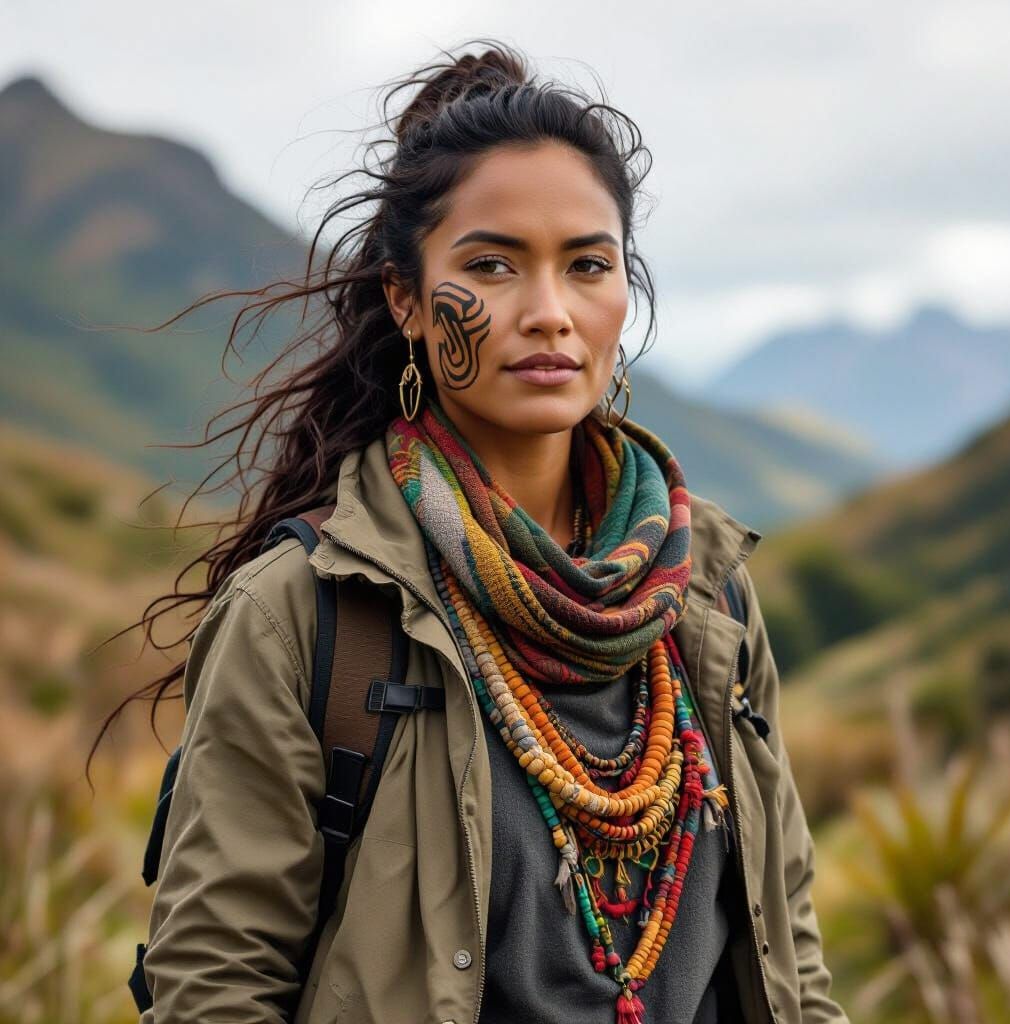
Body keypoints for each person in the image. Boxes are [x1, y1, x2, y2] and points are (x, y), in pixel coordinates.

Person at [105, 39, 849, 1024]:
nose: (548, 313)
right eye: (491, 266)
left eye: (587, 264)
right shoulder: (309, 613)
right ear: (404, 299)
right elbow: (215, 995)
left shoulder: (703, 593)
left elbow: (787, 955)